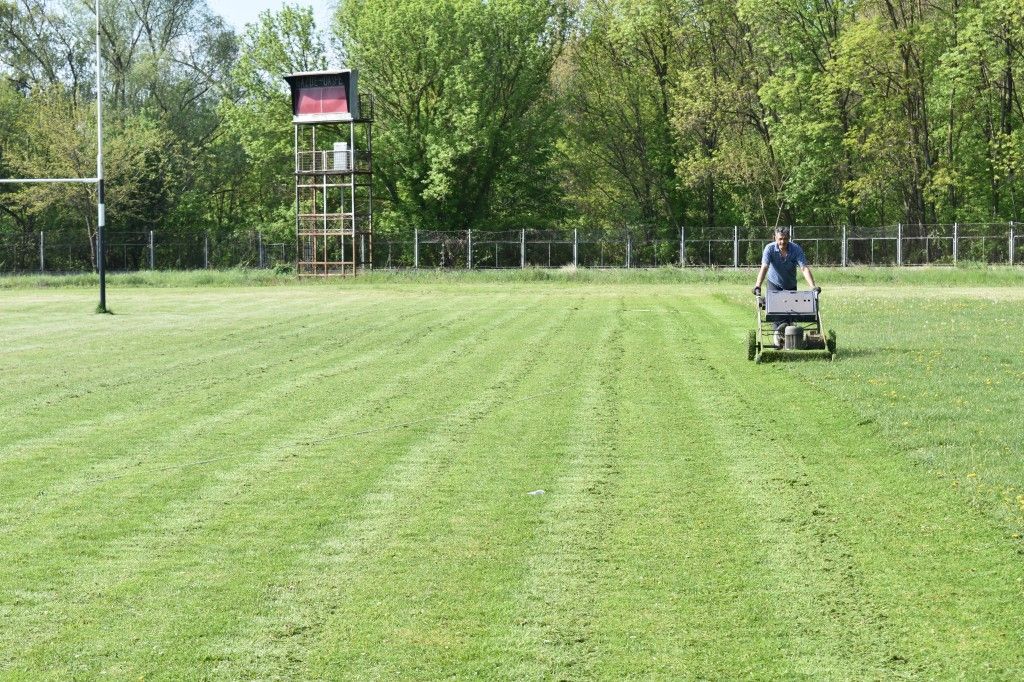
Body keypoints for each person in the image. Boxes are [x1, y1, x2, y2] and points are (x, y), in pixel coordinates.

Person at [752, 227, 820, 348]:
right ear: (775, 238)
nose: (782, 242)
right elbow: (764, 267)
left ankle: (790, 341)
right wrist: (758, 286)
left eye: (785, 239)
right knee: (776, 314)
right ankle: (778, 343)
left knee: (790, 314)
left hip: (790, 285)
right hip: (774, 284)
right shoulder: (769, 249)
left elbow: (804, 268)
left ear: (789, 238)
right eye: (780, 239)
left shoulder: (796, 249)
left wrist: (813, 286)